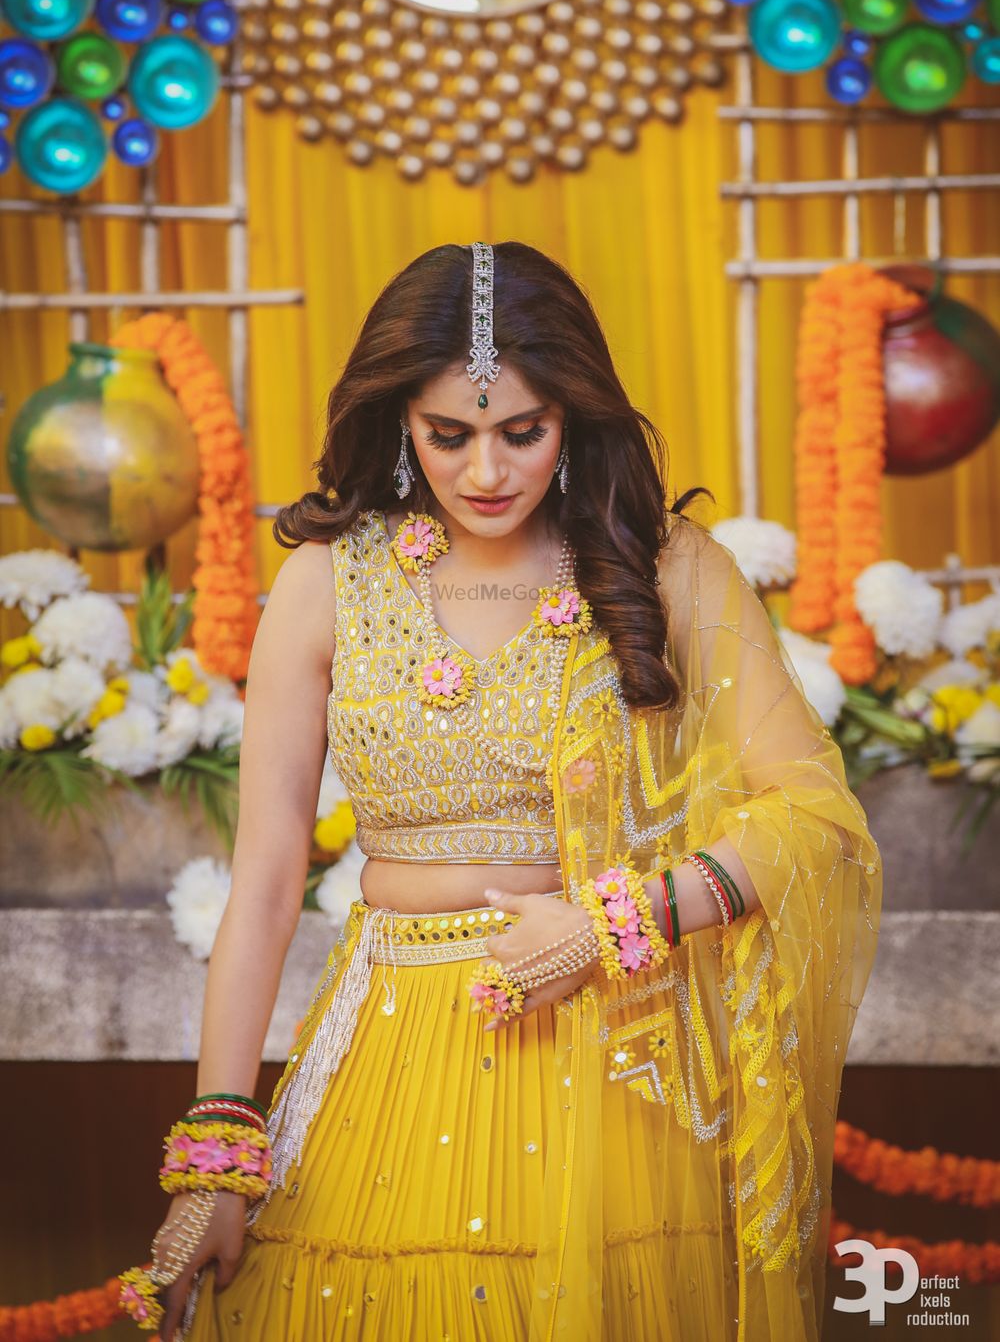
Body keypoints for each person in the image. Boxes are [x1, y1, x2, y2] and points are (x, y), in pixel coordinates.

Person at [119, 241, 882, 1342]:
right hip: (388, 1051)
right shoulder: (326, 579)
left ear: (573, 416)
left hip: (613, 1056)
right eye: (450, 433)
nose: (486, 470)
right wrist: (216, 1156)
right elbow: (267, 873)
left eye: (522, 431)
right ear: (399, 421)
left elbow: (814, 819)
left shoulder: (664, 568)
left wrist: (620, 924)